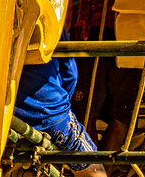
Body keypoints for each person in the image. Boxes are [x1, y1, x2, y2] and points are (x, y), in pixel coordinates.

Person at [14, 32, 106, 175]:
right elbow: (70, 72)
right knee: (95, 169)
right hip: (49, 111)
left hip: (5, 110)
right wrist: (63, 104)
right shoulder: (50, 14)